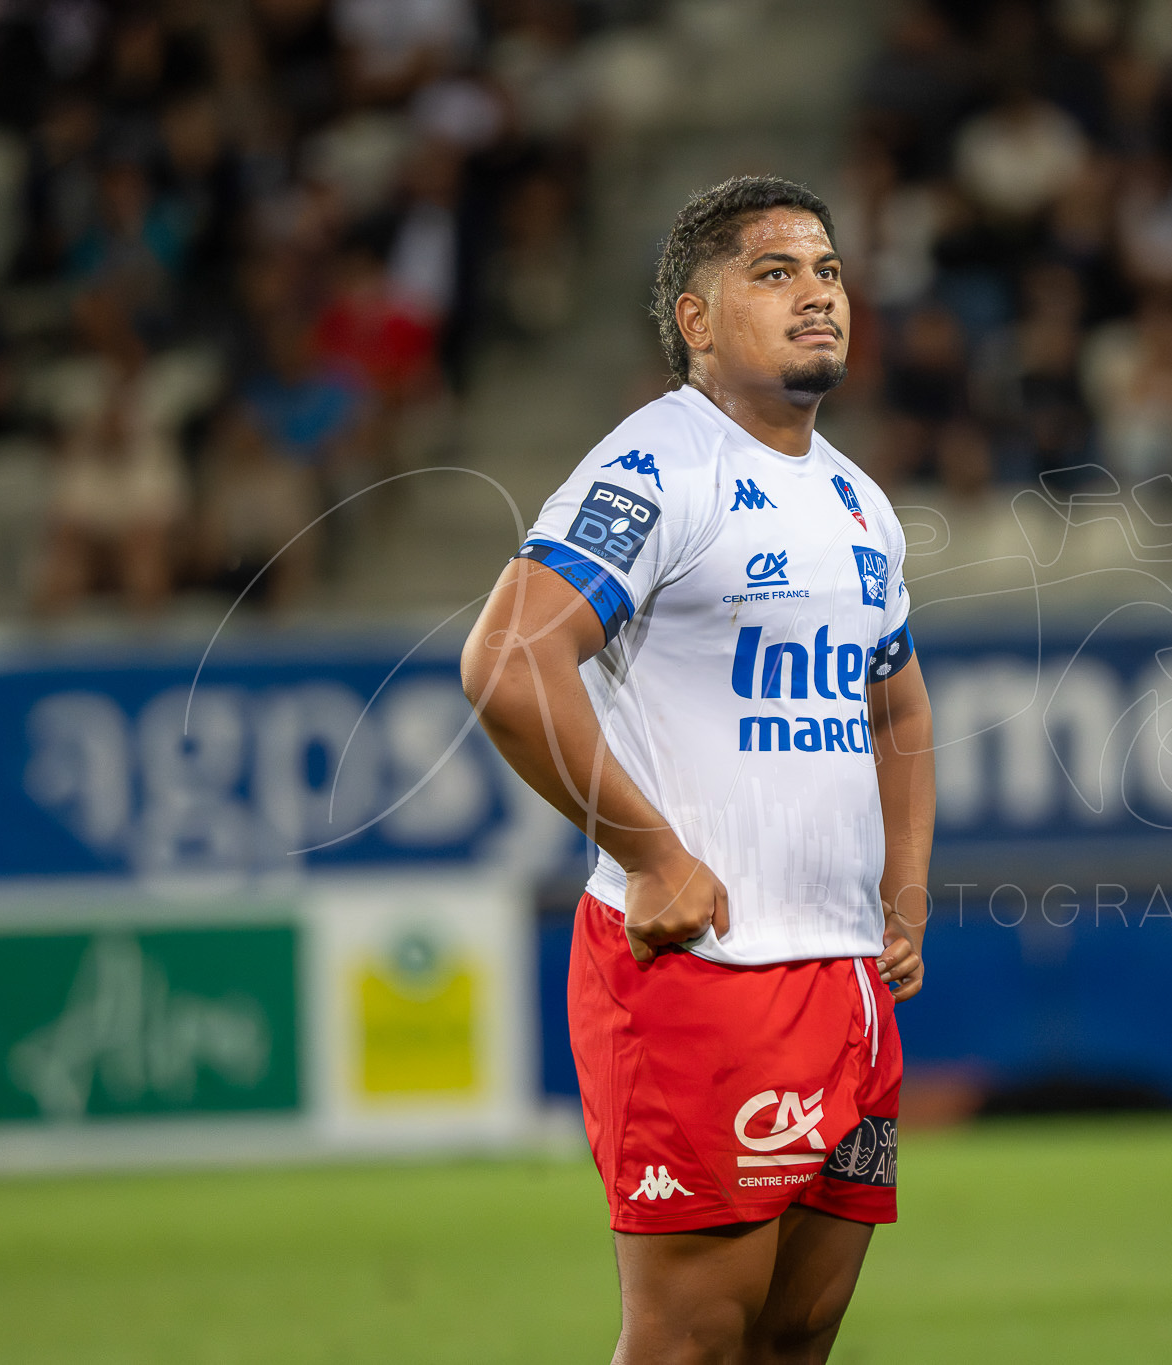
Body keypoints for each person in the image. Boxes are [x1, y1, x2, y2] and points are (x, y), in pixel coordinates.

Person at [460, 175, 934, 1364]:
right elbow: (509, 665)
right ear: (696, 320)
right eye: (773, 274)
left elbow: (897, 702)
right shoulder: (658, 467)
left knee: (799, 1336)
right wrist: (653, 854)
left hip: (841, 986)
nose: (816, 294)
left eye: (825, 270)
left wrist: (905, 888)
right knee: (689, 1344)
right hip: (702, 977)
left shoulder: (855, 500)